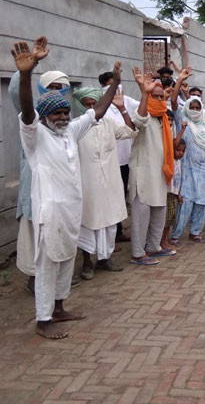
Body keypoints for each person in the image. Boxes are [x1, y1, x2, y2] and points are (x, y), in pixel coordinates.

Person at [13, 36, 120, 339]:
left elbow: (97, 111)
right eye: (56, 113)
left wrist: (115, 83)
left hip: (72, 211)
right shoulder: (36, 136)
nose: (62, 117)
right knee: (48, 265)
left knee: (66, 261)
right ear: (45, 116)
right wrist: (25, 75)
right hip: (50, 213)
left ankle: (59, 309)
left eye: (64, 112)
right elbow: (28, 112)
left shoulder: (70, 131)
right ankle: (43, 319)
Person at [9, 70, 73, 293]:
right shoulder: (33, 111)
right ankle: (34, 278)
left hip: (59, 190)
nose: (55, 91)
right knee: (34, 233)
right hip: (35, 186)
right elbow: (16, 91)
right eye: (51, 87)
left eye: (59, 88)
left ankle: (55, 282)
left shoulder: (64, 117)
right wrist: (27, 69)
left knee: (56, 236)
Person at [73, 86, 138, 279]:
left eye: (95, 104)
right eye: (87, 105)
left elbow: (130, 131)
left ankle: (105, 258)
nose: (91, 108)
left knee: (110, 222)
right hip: (87, 184)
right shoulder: (75, 127)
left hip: (110, 181)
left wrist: (122, 108)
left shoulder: (109, 122)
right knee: (88, 222)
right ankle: (87, 263)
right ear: (81, 106)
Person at [128, 67, 187, 265]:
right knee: (141, 214)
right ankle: (137, 253)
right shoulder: (143, 115)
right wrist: (145, 93)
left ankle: (153, 246)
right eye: (156, 96)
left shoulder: (164, 118)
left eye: (162, 96)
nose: (160, 99)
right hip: (144, 174)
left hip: (161, 173)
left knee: (159, 211)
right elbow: (139, 121)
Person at [169, 88, 205, 244]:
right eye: (192, 107)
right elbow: (174, 101)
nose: (195, 110)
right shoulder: (183, 122)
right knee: (186, 201)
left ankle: (195, 232)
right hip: (187, 169)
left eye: (197, 108)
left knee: (202, 201)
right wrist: (179, 82)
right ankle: (176, 234)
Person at [98, 71, 139, 244]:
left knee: (122, 196)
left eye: (117, 84)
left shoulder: (126, 100)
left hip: (126, 159)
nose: (116, 89)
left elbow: (141, 108)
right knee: (111, 197)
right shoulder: (100, 106)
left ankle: (118, 231)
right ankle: (111, 237)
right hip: (109, 161)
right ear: (103, 86)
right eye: (111, 85)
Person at [162, 126, 187, 251]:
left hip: (174, 195)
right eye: (178, 150)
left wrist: (179, 194)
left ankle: (165, 241)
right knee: (165, 221)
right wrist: (182, 130)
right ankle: (162, 242)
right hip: (167, 194)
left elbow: (178, 180)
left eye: (183, 151)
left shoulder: (179, 162)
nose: (180, 153)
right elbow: (173, 144)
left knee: (171, 220)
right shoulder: (170, 159)